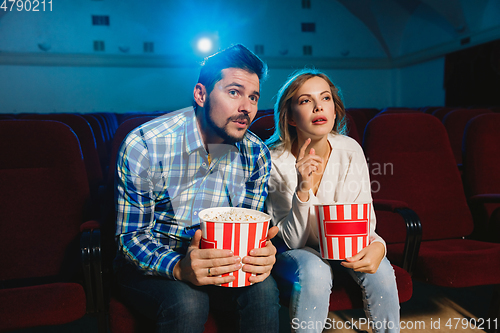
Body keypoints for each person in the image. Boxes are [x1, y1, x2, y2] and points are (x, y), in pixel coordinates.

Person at [114, 44, 280, 333]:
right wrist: (180, 268)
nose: (246, 107)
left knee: (264, 290)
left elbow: (246, 227)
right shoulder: (146, 145)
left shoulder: (256, 153)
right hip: (155, 260)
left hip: (223, 260)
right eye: (233, 92)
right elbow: (131, 236)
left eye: (253, 97)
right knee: (188, 301)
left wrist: (262, 253)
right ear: (201, 94)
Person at [265, 69, 400, 333]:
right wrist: (303, 187)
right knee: (315, 268)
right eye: (305, 101)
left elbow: (361, 221)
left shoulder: (350, 149)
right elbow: (293, 240)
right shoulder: (274, 161)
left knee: (381, 270)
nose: (318, 107)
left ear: (335, 110)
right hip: (293, 251)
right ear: (290, 117)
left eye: (325, 98)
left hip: (341, 245)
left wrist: (379, 246)